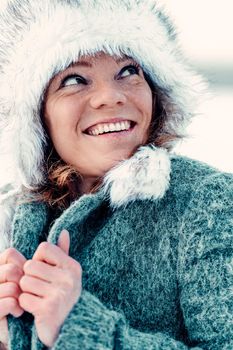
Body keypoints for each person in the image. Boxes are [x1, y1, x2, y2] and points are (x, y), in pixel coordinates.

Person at [0, 0, 232, 349]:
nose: (110, 96)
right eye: (75, 79)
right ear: (36, 117)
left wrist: (77, 324)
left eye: (128, 71)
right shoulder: (9, 217)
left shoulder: (207, 202)